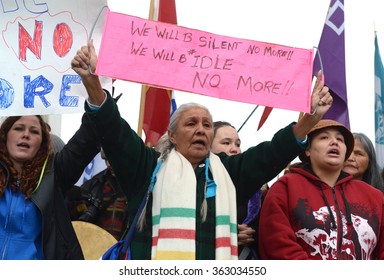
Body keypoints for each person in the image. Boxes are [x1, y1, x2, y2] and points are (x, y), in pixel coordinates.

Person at [71, 40, 332, 260]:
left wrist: (309, 120)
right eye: (191, 123)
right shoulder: (147, 167)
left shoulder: (229, 172)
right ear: (172, 135)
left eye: (207, 125)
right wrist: (93, 84)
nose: (201, 130)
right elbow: (115, 133)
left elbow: (273, 153)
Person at [258, 120, 384, 260]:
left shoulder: (375, 197)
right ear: (307, 150)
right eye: (324, 137)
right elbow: (277, 244)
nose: (334, 142)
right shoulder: (285, 187)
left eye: (340, 139)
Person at [0, 113, 101, 259]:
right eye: (19, 128)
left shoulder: (54, 174)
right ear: (5, 136)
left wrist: (98, 104)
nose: (26, 135)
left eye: (34, 131)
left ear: (42, 143)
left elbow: (86, 140)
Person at [211, 120, 263, 259]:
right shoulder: (196, 183)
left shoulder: (259, 189)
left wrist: (253, 233)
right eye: (226, 143)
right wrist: (226, 233)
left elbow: (269, 226)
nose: (234, 149)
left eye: (238, 144)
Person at [66, 148, 128, 240]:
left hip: (127, 251)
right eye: (106, 160)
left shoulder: (138, 186)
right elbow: (73, 217)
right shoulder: (95, 184)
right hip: (98, 249)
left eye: (112, 159)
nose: (108, 165)